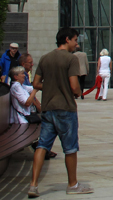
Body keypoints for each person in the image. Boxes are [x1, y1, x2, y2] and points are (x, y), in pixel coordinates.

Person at [29, 26, 93, 196]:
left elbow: (36, 83)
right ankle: (72, 185)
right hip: (65, 108)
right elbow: (74, 87)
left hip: (48, 109)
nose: (76, 44)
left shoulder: (45, 58)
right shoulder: (71, 59)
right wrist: (76, 92)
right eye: (75, 40)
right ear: (67, 39)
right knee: (70, 148)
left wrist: (50, 86)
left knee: (42, 145)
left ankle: (33, 185)